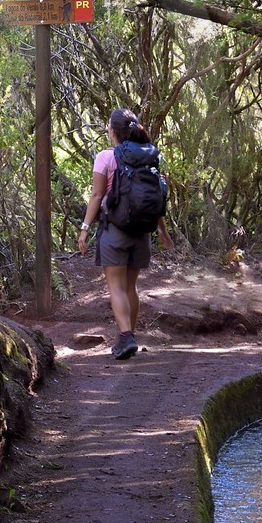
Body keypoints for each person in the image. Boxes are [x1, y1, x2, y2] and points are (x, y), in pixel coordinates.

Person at [76, 107, 174, 360]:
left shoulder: (106, 157)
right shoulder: (150, 157)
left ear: (112, 132)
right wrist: (162, 231)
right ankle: (130, 335)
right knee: (131, 287)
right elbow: (157, 194)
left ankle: (125, 337)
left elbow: (97, 195)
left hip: (115, 230)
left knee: (116, 287)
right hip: (142, 230)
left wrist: (85, 229)